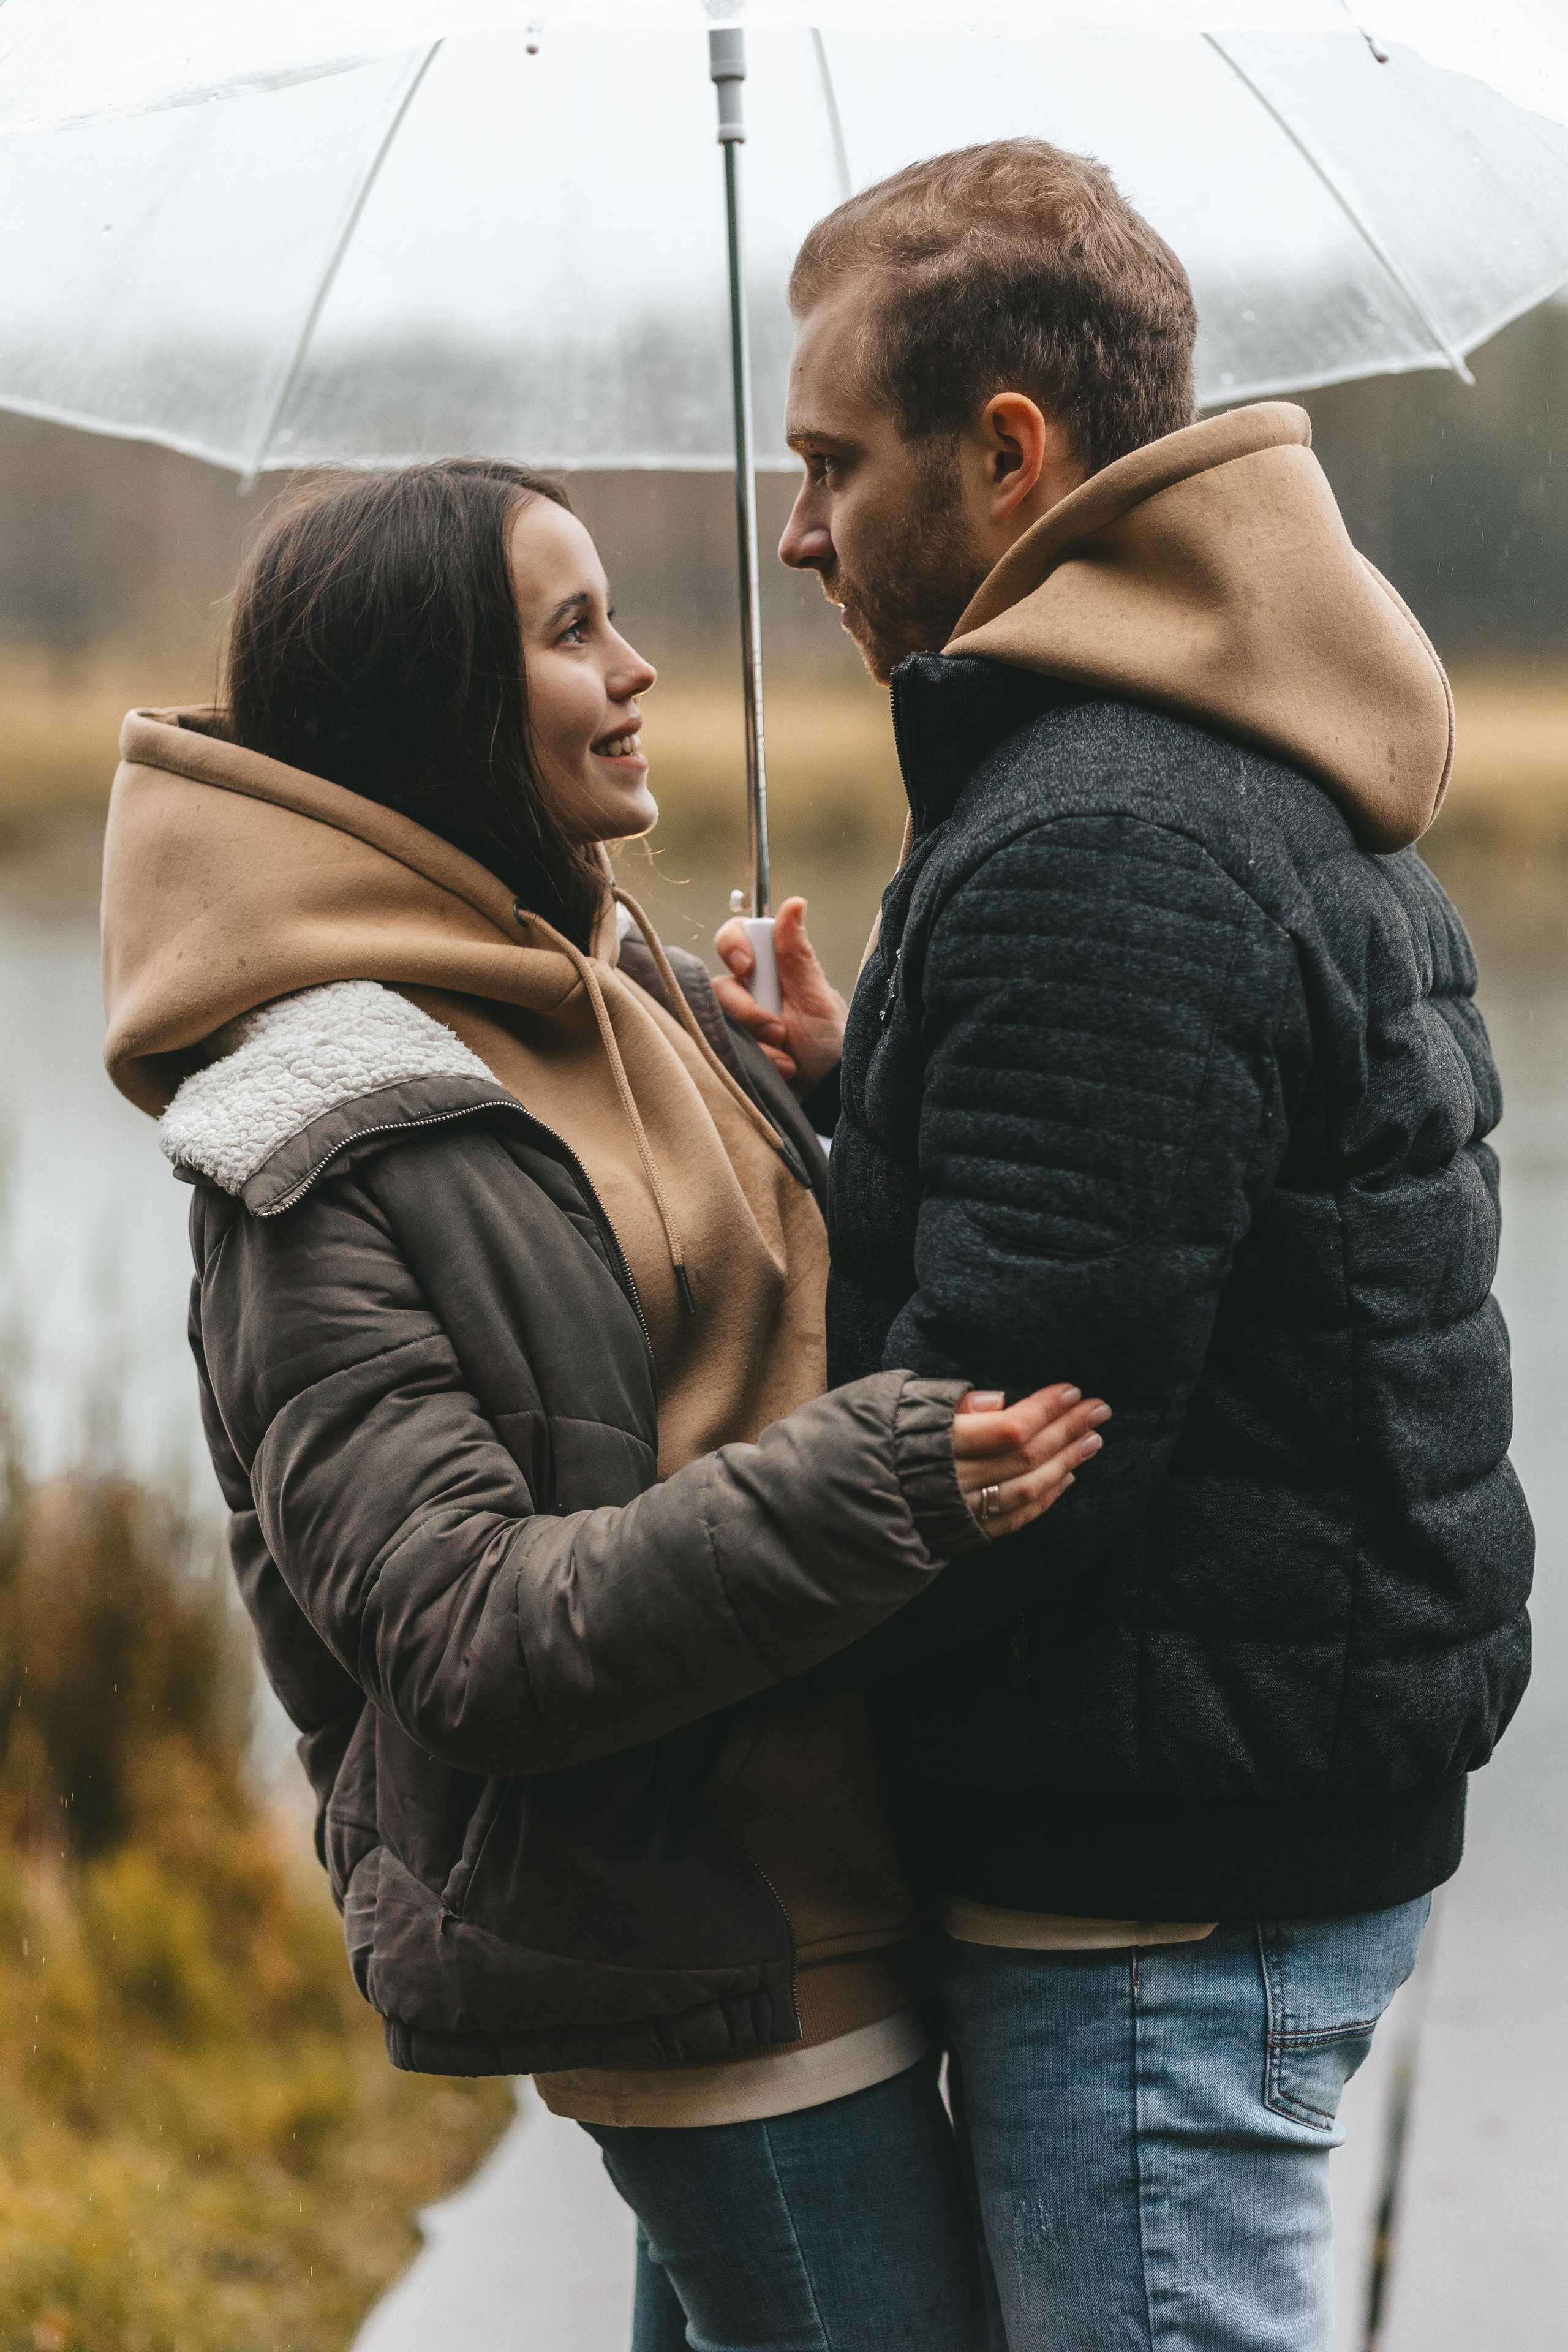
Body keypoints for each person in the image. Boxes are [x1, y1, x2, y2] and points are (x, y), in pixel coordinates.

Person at [98, 460, 1112, 2351]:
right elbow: (465, 1634)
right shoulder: (315, 1130)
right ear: (441, 704)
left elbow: (743, 1341)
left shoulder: (606, 969)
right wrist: (889, 1478)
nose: (638, 668)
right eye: (572, 632)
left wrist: (834, 1076)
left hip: (842, 1879)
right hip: (705, 1932)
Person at [715, 140, 1534, 2351]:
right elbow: (1119, 1259)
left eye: (828, 466)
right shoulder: (1188, 765)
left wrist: (681, 1655)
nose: (799, 534)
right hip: (1218, 1823)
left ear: (1007, 455)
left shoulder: (1109, 833)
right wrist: (854, 1087)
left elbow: (1020, 1427)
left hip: (1154, 1884)